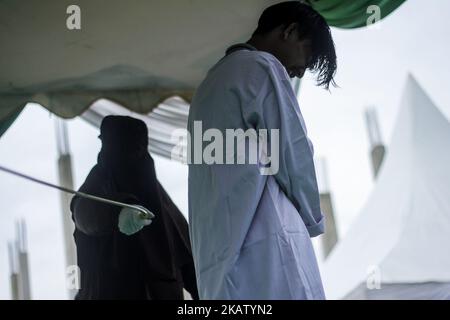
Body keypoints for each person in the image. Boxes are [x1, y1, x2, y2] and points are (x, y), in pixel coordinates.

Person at [187, 1, 337, 299]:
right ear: (290, 31)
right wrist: (314, 220)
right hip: (271, 241)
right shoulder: (261, 66)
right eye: (306, 57)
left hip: (218, 254)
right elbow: (293, 153)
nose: (298, 73)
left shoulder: (206, 87)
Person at [70, 115, 198, 300]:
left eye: (138, 150)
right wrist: (117, 211)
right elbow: (84, 213)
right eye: (125, 150)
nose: (133, 157)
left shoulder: (158, 199)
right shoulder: (97, 186)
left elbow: (188, 261)